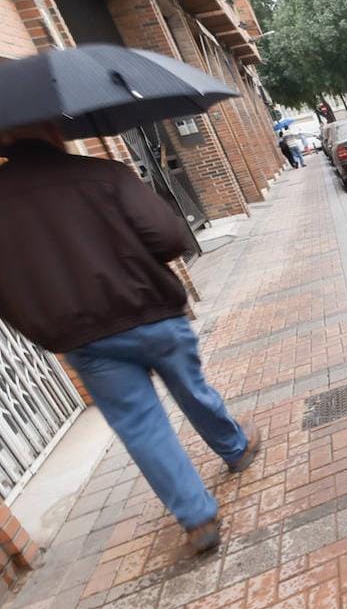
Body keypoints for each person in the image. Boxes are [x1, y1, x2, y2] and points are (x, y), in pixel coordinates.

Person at [0, 125, 260, 552]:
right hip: (151, 313)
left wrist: (42, 328)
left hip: (85, 338)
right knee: (192, 390)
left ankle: (197, 518)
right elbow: (170, 238)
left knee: (141, 427)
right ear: (50, 131)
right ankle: (235, 448)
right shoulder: (103, 175)